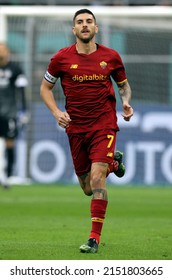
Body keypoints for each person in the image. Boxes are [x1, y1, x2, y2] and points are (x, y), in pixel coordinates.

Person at [40, 9, 133, 253]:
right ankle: (114, 162)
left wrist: (125, 102)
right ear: (73, 30)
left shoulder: (110, 57)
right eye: (80, 22)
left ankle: (94, 238)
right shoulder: (60, 58)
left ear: (96, 28)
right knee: (87, 188)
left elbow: (123, 86)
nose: (84, 25)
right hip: (76, 128)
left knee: (96, 177)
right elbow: (45, 89)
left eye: (89, 21)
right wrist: (56, 113)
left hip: (104, 124)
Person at [0, 42, 28, 189]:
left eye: (3, 49)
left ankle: (9, 176)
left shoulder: (15, 69)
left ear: (8, 52)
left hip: (9, 113)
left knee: (10, 144)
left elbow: (22, 92)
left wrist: (24, 111)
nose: (1, 52)